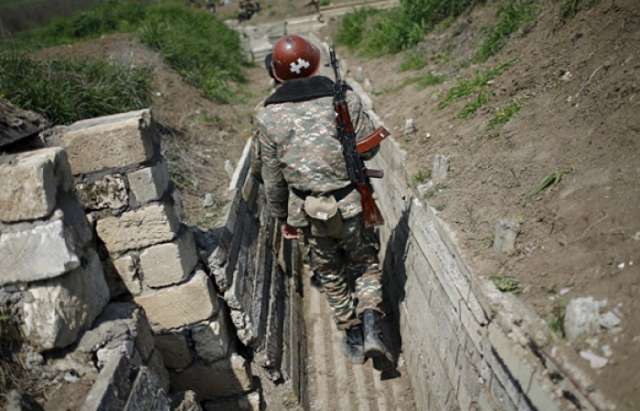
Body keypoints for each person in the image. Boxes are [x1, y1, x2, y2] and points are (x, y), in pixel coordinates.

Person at [254, 35, 390, 364]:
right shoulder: (342, 97)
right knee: (365, 264)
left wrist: (282, 218)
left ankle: (353, 335)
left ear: (276, 72)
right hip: (352, 202)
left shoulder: (267, 116)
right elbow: (370, 147)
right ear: (315, 62)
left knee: (329, 271)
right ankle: (372, 323)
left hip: (307, 212)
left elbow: (272, 178)